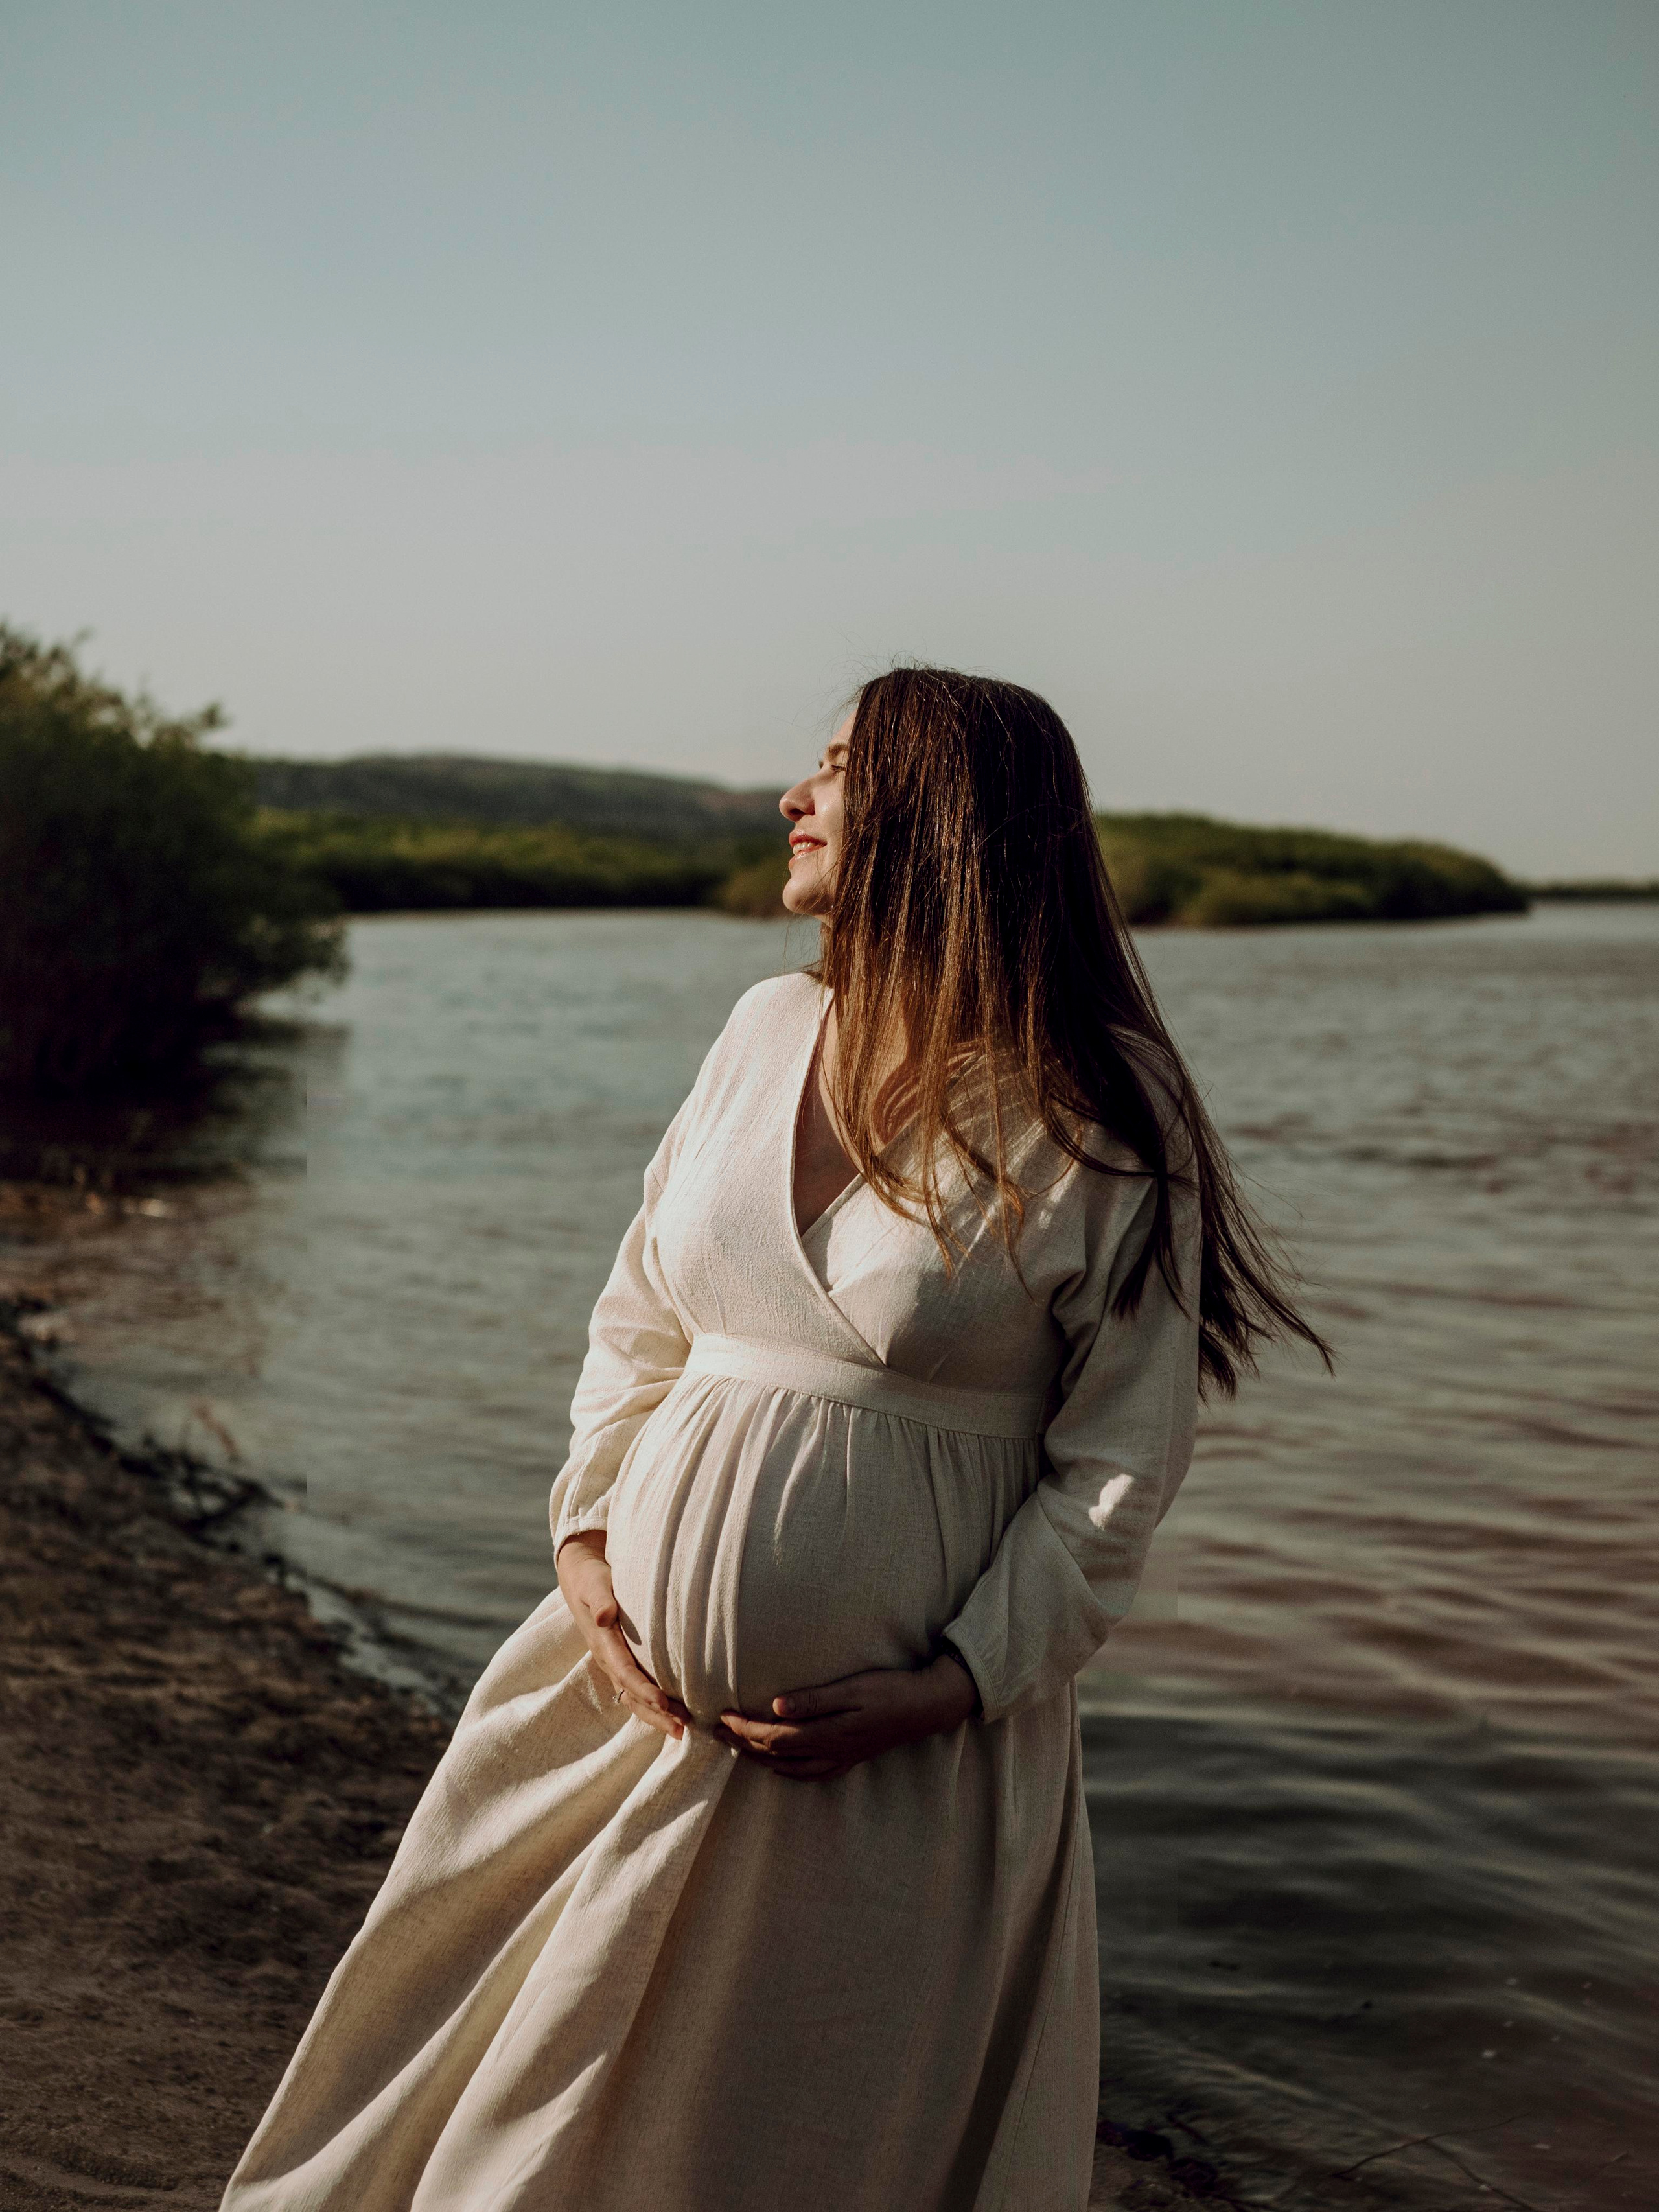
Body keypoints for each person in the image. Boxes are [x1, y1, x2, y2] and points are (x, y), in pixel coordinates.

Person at [221, 667, 1326, 2212]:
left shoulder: (1097, 1100)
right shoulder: (759, 1029)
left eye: (831, 769)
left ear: (939, 822)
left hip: (887, 1776)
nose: (788, 802)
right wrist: (588, 1539)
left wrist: (950, 1682)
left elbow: (1116, 1468)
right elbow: (638, 1318)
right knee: (488, 2128)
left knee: (777, 2148)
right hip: (617, 1714)